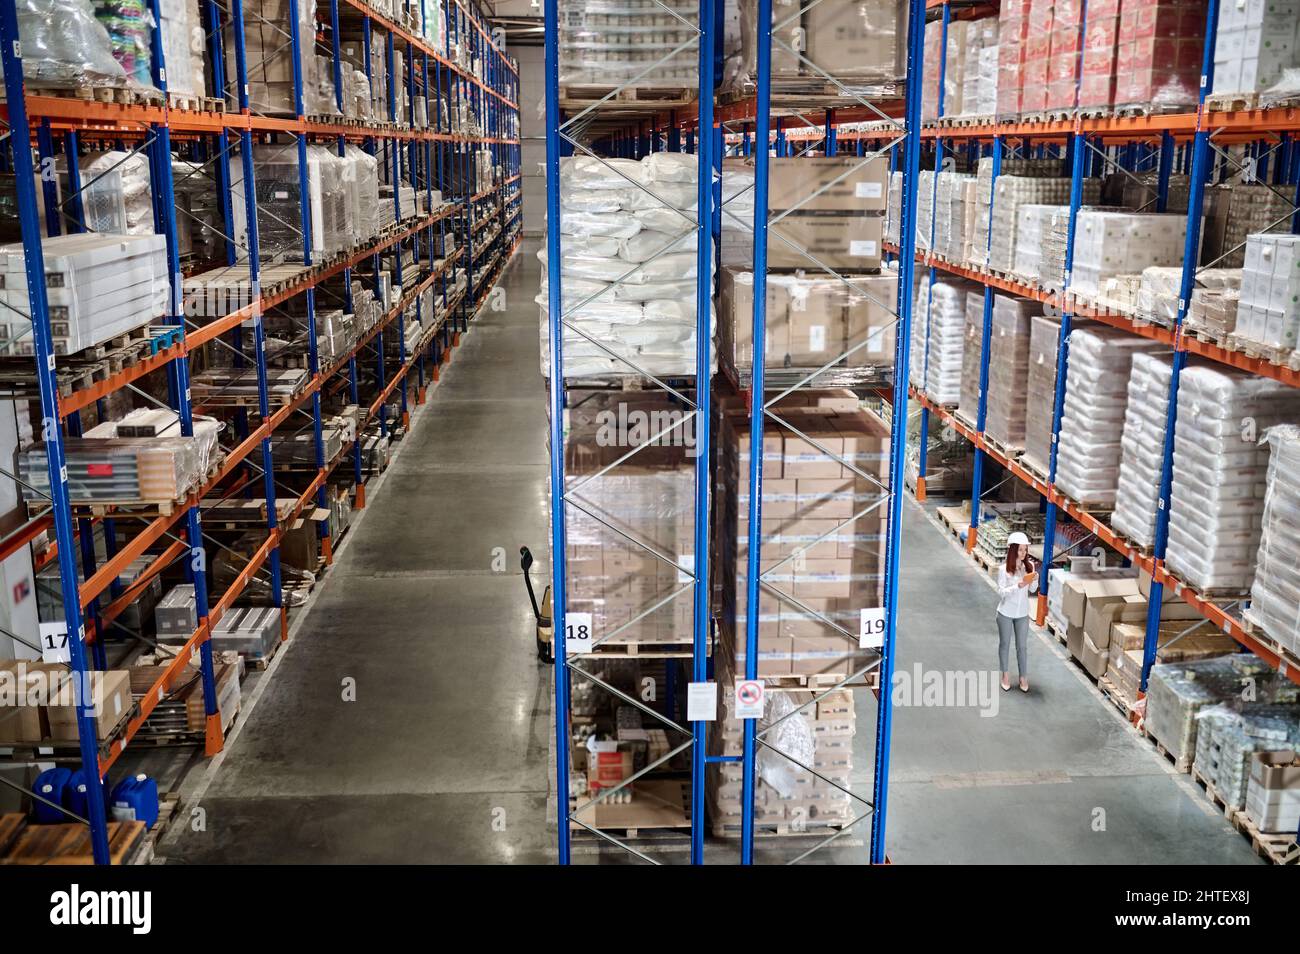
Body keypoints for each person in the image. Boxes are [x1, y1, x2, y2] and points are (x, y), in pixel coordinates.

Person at [996, 530, 1038, 693]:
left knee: (1022, 646)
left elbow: (1033, 589)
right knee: (1004, 644)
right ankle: (1005, 675)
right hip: (1005, 613)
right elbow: (1001, 592)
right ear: (1013, 550)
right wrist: (1017, 586)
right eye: (1020, 550)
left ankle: (1023, 677)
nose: (1023, 553)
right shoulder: (1003, 569)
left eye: (1025, 550)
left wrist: (1035, 579)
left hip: (1022, 614)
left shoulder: (1030, 566)